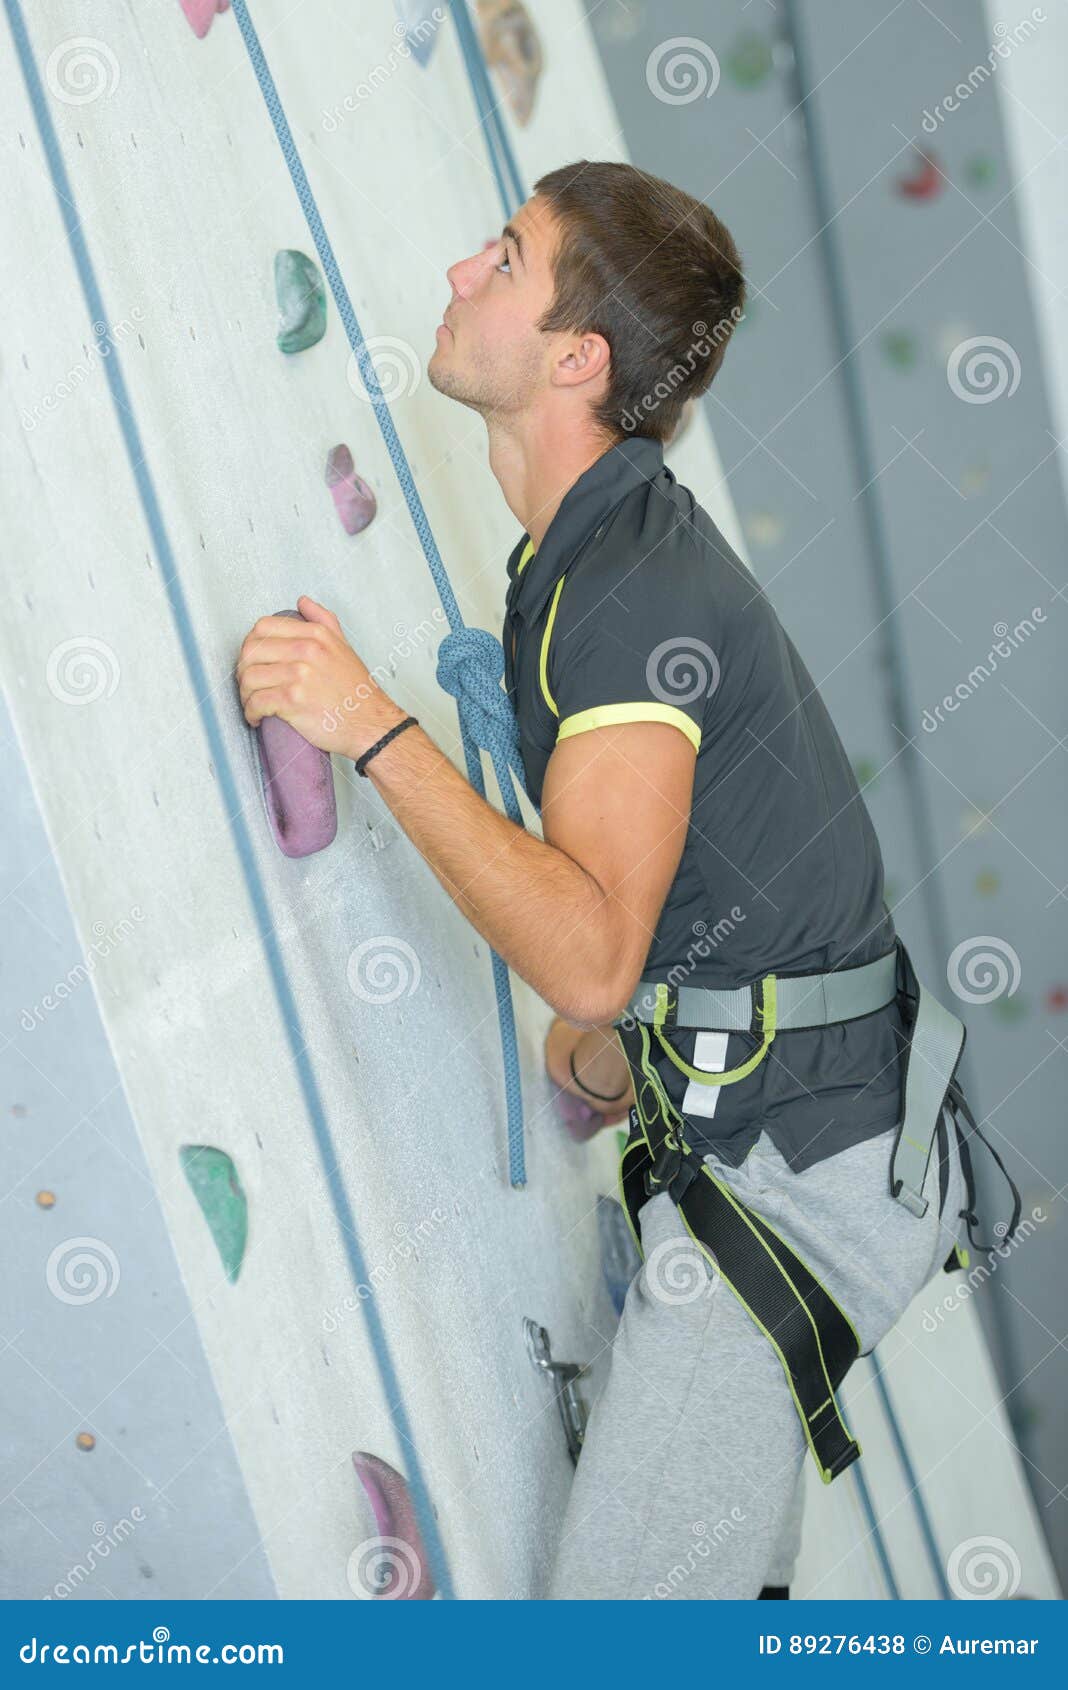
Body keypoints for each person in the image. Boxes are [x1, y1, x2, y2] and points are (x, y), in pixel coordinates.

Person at [237, 159, 971, 1599]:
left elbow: (588, 956)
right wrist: (628, 1045)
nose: (458, 275)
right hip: (815, 1137)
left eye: (503, 260)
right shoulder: (596, 554)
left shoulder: (625, 594)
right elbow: (671, 918)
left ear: (578, 357)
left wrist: (370, 725)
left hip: (796, 1184)